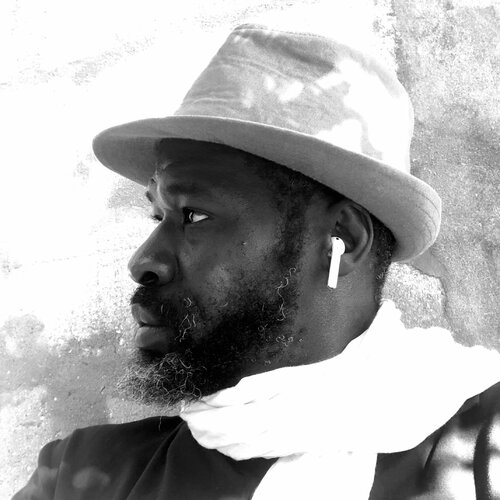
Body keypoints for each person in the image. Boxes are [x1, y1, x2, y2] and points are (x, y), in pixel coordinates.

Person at [14, 23, 500, 500]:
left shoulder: (480, 448)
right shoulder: (80, 474)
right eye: (157, 215)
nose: (143, 261)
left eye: (193, 215)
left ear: (344, 238)